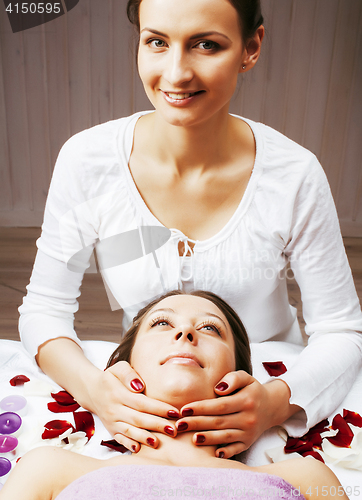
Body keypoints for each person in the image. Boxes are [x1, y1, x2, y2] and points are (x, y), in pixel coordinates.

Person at [19, 0, 362, 459]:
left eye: (206, 45)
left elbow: (341, 329)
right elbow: (44, 308)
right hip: (148, 399)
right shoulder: (87, 161)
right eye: (157, 42)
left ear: (251, 47)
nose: (177, 74)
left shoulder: (294, 174)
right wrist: (97, 392)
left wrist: (273, 403)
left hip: (270, 394)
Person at [3, 292, 347, 500]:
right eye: (162, 324)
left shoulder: (307, 478)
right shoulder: (49, 469)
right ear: (125, 366)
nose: (186, 332)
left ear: (241, 377)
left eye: (211, 328)